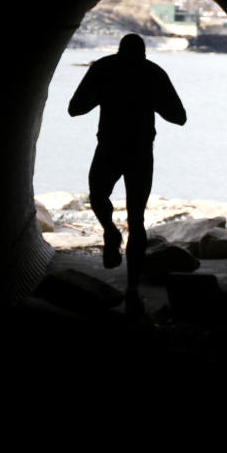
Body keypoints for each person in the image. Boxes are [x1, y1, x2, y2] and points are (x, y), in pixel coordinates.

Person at [68, 34, 186, 313]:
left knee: (98, 197)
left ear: (118, 51)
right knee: (136, 217)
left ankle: (111, 235)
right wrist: (153, 98)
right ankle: (130, 284)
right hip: (140, 153)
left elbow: (75, 109)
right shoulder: (153, 72)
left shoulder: (104, 68)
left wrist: (102, 93)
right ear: (143, 53)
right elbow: (179, 116)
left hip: (110, 147)